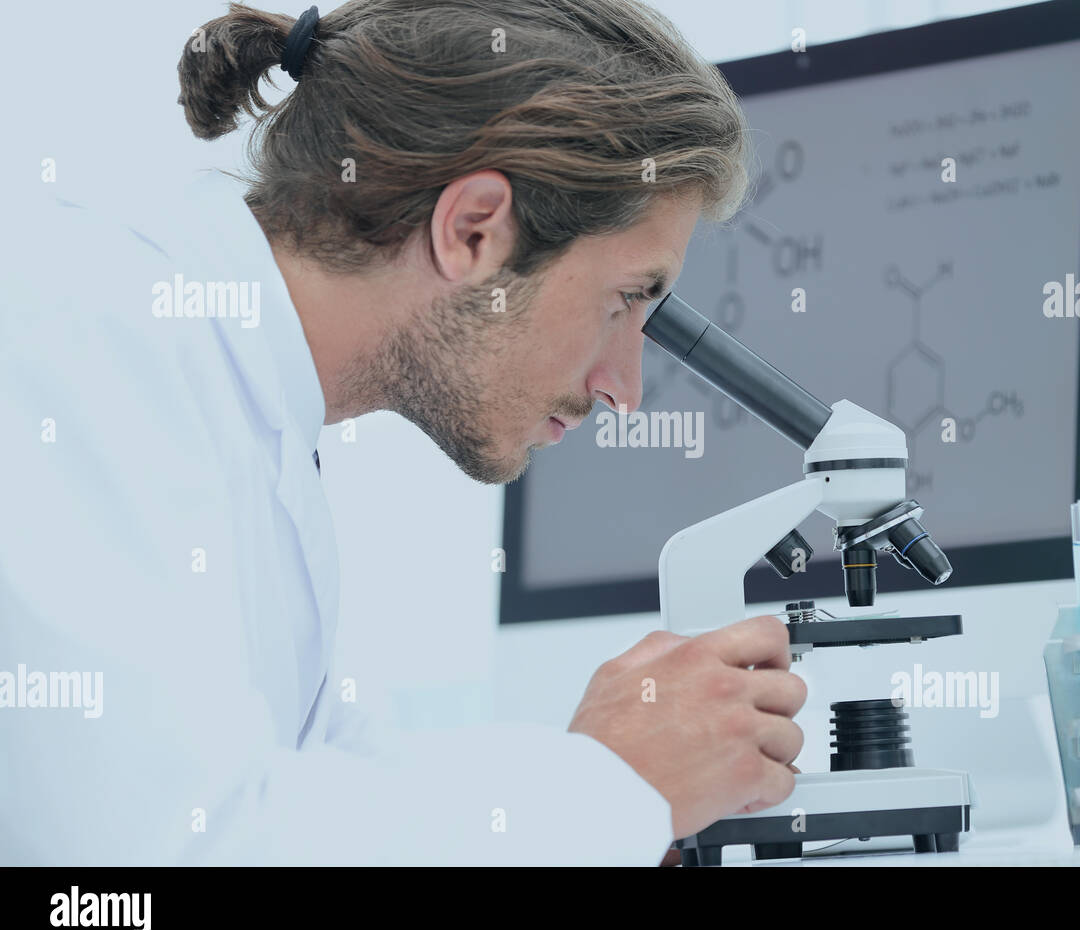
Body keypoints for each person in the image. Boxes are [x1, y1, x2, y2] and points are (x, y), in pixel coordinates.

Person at [0, 0, 804, 865]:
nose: (625, 391)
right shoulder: (82, 332)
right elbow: (133, 871)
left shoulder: (252, 419)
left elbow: (324, 797)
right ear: (474, 232)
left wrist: (622, 775)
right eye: (623, 302)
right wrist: (608, 781)